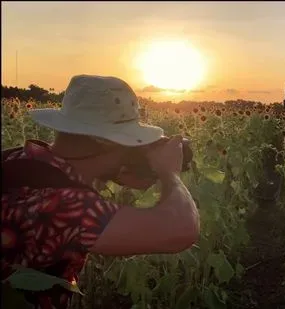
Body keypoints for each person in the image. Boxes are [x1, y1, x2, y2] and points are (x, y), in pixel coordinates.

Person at [1, 75, 200, 309]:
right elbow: (181, 229)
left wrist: (113, 170)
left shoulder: (19, 160)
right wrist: (170, 173)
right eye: (130, 140)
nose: (133, 148)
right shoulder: (66, 206)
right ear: (105, 141)